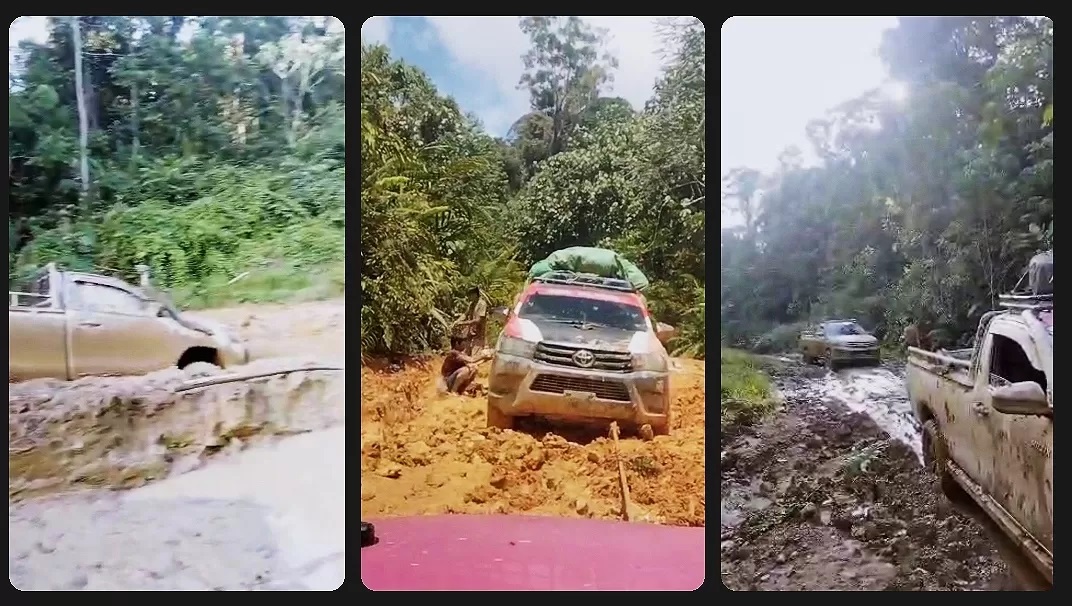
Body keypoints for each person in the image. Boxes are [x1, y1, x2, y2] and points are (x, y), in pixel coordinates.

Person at [453, 287, 489, 355]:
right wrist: (457, 321)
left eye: (470, 295)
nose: (469, 297)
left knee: (475, 355)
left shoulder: (482, 304)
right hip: (471, 332)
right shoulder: (471, 304)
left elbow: (478, 320)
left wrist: (463, 323)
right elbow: (465, 314)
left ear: (475, 294)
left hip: (479, 333)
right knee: (466, 353)